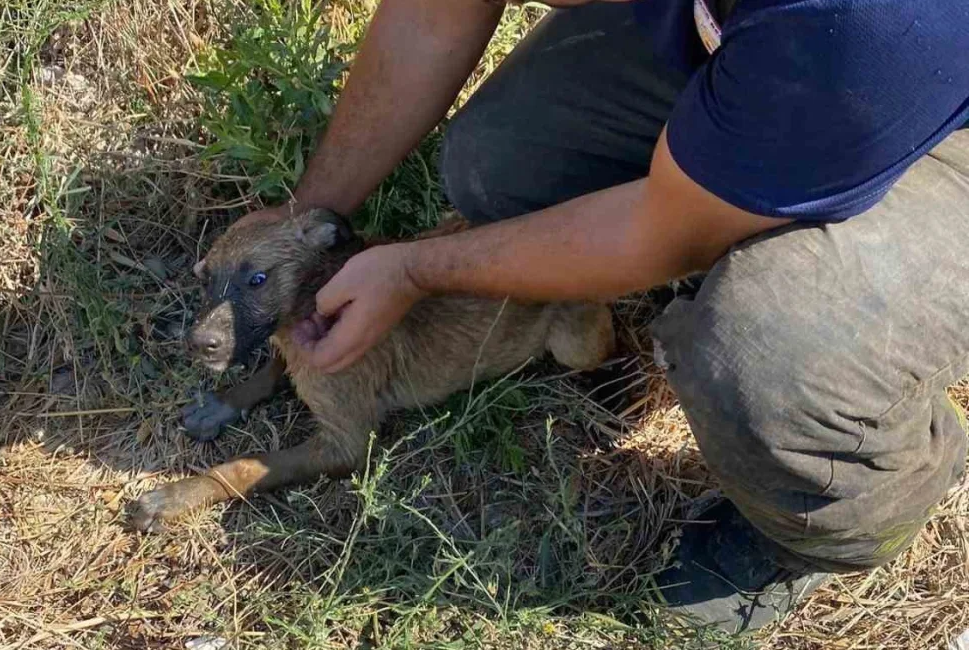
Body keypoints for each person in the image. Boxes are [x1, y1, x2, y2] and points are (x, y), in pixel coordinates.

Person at [232, 0, 969, 633]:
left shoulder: (858, 25)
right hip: (785, 44)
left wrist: (417, 270)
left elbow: (658, 232)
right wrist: (300, 227)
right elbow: (430, 18)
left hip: (919, 90)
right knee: (503, 162)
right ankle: (754, 178)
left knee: (762, 353)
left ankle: (826, 520)